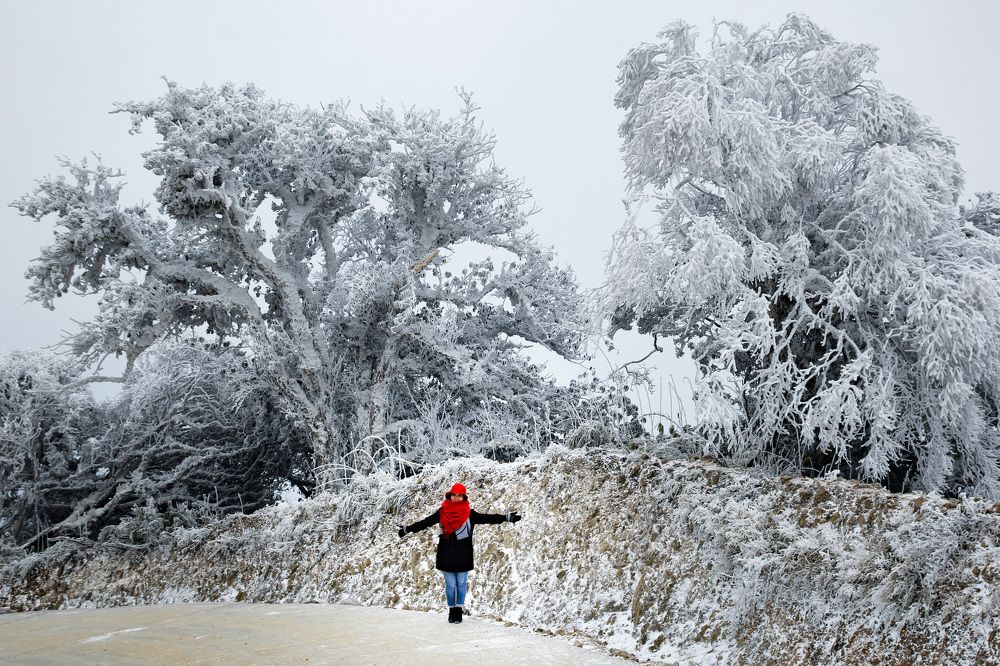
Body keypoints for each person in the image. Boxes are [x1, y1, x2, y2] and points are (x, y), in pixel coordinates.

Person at [398, 482, 522, 623]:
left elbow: (488, 518)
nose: (456, 498)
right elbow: (426, 522)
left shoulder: (470, 514)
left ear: (464, 498)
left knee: (461, 583)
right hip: (446, 554)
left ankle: (459, 610)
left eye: (459, 496)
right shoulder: (442, 512)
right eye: (454, 495)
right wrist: (407, 529)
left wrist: (506, 517)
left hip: (463, 555)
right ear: (449, 496)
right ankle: (452, 610)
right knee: (450, 585)